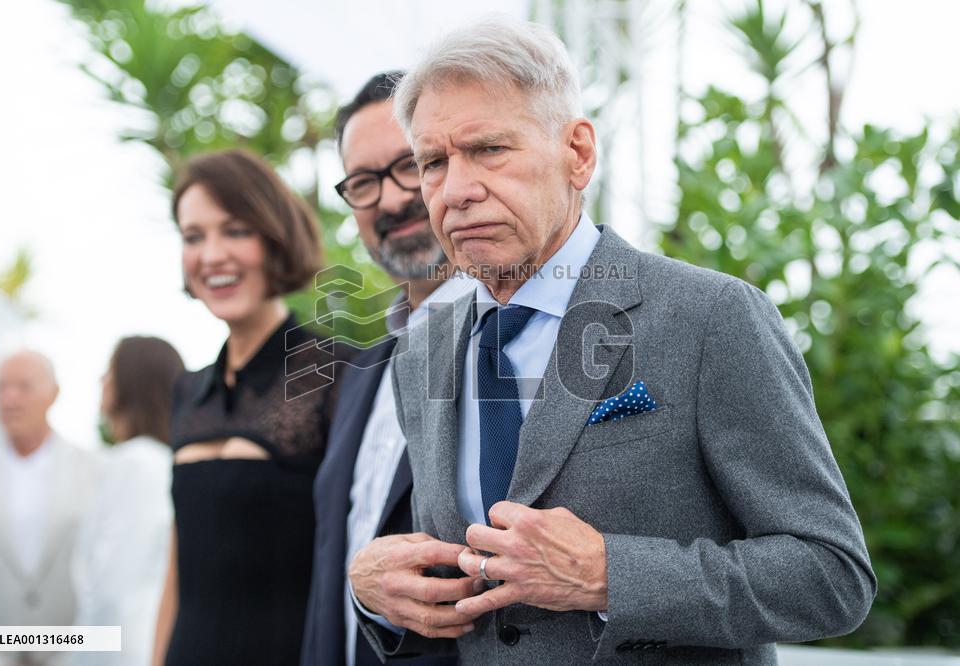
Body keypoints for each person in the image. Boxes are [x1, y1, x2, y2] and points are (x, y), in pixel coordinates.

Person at [349, 17, 876, 663]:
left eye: (489, 149)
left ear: (577, 153)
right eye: (433, 163)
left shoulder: (711, 316)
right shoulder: (421, 350)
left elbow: (832, 577)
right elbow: (462, 594)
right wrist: (376, 593)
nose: (455, 190)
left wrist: (608, 575)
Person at [301, 72, 470, 666]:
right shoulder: (361, 373)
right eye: (364, 182)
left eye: (410, 165)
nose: (392, 200)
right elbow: (337, 569)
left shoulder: (521, 346)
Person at [153, 148, 344, 665]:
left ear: (275, 237)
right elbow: (178, 568)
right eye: (193, 237)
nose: (212, 255)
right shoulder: (188, 390)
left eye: (235, 231)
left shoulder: (337, 372)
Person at [0, 351, 99, 666]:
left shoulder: (93, 472)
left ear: (54, 394)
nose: (10, 399)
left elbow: (105, 582)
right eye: (2, 387)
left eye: (24, 386)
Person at [71, 336, 184, 666]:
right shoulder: (162, 461)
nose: (102, 380)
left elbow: (113, 585)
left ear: (132, 380)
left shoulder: (136, 463)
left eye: (110, 370)